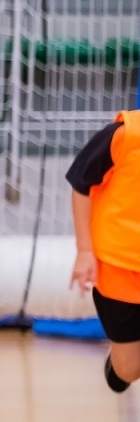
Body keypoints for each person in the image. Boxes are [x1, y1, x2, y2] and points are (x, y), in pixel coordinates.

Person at [68, 108, 140, 393]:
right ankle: (120, 362)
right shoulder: (125, 135)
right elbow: (80, 183)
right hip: (118, 265)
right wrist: (85, 251)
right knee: (129, 370)